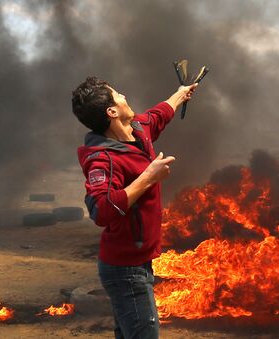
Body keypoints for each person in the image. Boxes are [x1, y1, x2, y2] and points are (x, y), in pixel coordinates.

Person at [72, 76, 197, 338]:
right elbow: (101, 210)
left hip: (140, 263)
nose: (124, 95)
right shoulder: (103, 159)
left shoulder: (137, 130)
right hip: (124, 269)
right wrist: (148, 177)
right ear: (112, 111)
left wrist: (181, 94)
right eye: (118, 95)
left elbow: (158, 114)